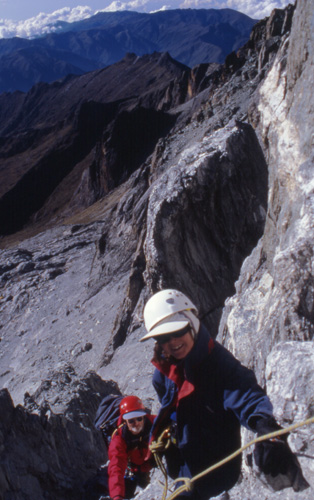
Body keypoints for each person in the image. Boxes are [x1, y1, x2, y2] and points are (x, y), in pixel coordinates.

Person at [140, 289, 308, 499]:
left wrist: (266, 427)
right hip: (185, 467)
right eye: (163, 337)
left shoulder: (220, 365)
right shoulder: (163, 373)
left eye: (177, 331)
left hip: (215, 474)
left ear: (192, 323)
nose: (172, 341)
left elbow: (248, 396)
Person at [83, 395, 155, 500]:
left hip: (150, 464)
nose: (136, 423)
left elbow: (169, 418)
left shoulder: (154, 422)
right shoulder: (119, 439)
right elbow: (116, 468)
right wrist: (117, 497)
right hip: (135, 470)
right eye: (131, 421)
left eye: (139, 418)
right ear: (125, 421)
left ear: (144, 417)